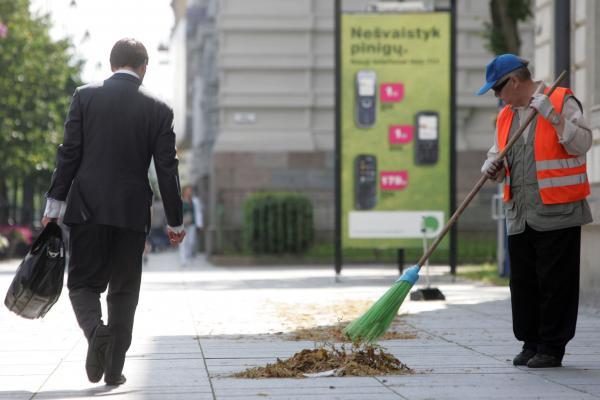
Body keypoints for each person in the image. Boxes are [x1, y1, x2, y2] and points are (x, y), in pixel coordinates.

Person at [41, 38, 185, 386]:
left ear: (111, 65)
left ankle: (95, 331)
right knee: (124, 290)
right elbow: (167, 169)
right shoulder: (159, 108)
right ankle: (113, 369)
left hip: (86, 208)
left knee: (82, 283)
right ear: (143, 67)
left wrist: (53, 206)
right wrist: (175, 221)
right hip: (132, 213)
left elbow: (69, 153)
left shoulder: (85, 96)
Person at [478, 54, 592, 368]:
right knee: (524, 283)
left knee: (555, 283)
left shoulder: (560, 99)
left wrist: (553, 117)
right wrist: (493, 167)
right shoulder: (505, 116)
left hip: (558, 211)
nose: (496, 97)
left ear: (513, 82)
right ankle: (530, 342)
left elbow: (583, 143)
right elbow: (499, 155)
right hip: (520, 213)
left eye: (497, 90)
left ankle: (551, 347)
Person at [179, 185, 202, 265]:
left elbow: (198, 212)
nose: (189, 192)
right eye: (187, 190)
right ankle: (183, 260)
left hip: (192, 224)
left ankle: (188, 256)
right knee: (182, 242)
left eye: (190, 190)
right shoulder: (180, 200)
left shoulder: (194, 201)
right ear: (184, 191)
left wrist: (199, 224)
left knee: (191, 241)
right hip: (182, 225)